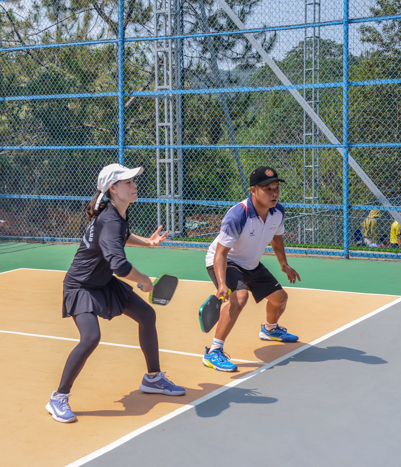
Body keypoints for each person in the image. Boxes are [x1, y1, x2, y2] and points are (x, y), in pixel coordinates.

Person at [46, 164, 185, 423]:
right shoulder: (110, 219)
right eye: (128, 182)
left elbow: (123, 235)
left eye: (133, 181)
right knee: (91, 337)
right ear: (113, 189)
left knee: (147, 315)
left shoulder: (117, 213)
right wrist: (144, 281)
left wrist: (147, 242)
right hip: (81, 286)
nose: (134, 185)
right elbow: (119, 266)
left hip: (101, 282)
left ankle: (153, 378)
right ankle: (58, 397)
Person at [202, 166, 301, 373]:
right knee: (239, 297)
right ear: (253, 190)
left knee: (280, 299)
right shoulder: (238, 215)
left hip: (251, 263)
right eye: (268, 189)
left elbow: (276, 237)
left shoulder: (278, 212)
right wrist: (222, 284)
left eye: (276, 189)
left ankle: (270, 330)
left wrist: (284, 264)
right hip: (226, 261)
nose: (274, 194)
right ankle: (213, 352)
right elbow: (220, 253)